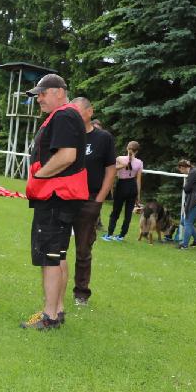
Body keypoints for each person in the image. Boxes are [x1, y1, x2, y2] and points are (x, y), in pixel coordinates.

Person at [21, 74, 88, 330]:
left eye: (43, 93)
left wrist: (39, 174)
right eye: (37, 94)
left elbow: (67, 155)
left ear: (60, 92)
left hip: (55, 197)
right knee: (58, 255)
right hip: (62, 197)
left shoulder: (63, 116)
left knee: (49, 257)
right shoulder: (68, 115)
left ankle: (48, 317)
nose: (39, 98)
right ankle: (57, 310)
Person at [70, 97, 116, 306]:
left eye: (79, 113)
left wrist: (99, 200)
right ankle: (55, 288)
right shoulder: (68, 136)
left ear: (90, 112)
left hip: (89, 199)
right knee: (57, 248)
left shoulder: (103, 138)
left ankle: (81, 292)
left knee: (83, 249)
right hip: (65, 198)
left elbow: (110, 170)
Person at [103, 141, 143, 241]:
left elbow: (112, 170)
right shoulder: (139, 162)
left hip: (122, 185)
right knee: (128, 214)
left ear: (127, 148)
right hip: (132, 186)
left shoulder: (119, 158)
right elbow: (138, 180)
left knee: (116, 211)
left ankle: (109, 234)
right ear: (137, 151)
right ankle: (121, 236)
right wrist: (138, 196)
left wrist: (111, 188)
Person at [177, 159, 196, 249]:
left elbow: (186, 189)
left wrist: (185, 186)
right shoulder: (194, 171)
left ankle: (184, 245)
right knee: (184, 221)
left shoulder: (192, 173)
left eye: (180, 170)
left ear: (183, 167)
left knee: (187, 221)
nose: (181, 172)